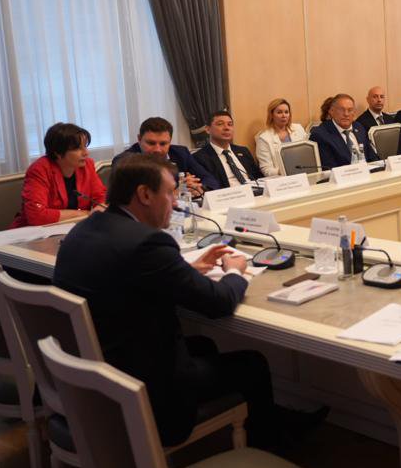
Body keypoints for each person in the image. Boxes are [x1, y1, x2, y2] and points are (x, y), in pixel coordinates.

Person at [52, 154, 281, 447]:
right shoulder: (147, 243)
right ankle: (271, 444)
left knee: (204, 346)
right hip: (140, 392)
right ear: (145, 195)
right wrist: (235, 272)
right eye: (171, 192)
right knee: (252, 364)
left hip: (92, 375)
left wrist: (184, 270)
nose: (175, 203)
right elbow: (218, 303)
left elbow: (128, 274)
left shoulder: (85, 229)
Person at [11, 123, 107, 228]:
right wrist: (82, 214)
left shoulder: (86, 165)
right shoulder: (39, 170)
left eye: (85, 146)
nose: (86, 153)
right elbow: (36, 215)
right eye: (77, 148)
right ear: (58, 153)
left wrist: (100, 207)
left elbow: (101, 197)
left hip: (74, 227)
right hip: (35, 232)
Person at [112, 117, 219, 195]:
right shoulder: (125, 161)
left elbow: (209, 179)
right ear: (139, 139)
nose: (157, 149)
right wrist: (176, 191)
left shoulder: (181, 153)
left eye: (163, 144)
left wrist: (198, 188)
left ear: (170, 141)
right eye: (151, 143)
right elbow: (135, 196)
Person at [194, 111, 265, 188]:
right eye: (220, 124)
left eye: (230, 124)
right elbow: (208, 187)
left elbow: (258, 177)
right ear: (208, 129)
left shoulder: (243, 151)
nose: (226, 128)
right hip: (229, 194)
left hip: (255, 191)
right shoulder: (200, 158)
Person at [310, 94, 379, 168]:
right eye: (341, 110)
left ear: (354, 113)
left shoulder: (359, 127)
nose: (346, 114)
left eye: (350, 110)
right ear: (331, 111)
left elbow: (372, 158)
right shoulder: (320, 135)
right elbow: (329, 168)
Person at [255, 98, 309, 177]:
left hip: (303, 173)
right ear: (271, 115)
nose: (284, 115)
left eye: (286, 112)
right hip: (280, 178)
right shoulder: (264, 138)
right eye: (279, 112)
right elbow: (266, 170)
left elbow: (307, 155)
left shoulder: (298, 129)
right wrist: (283, 171)